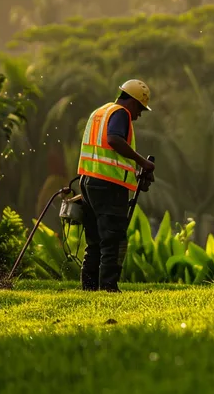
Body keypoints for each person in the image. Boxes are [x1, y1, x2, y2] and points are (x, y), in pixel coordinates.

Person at [76, 79, 156, 292]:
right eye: (139, 108)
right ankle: (109, 287)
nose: (138, 115)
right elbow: (113, 140)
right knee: (113, 238)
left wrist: (136, 170)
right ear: (131, 102)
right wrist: (143, 162)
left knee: (94, 241)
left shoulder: (100, 112)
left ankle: (90, 287)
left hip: (89, 181)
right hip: (108, 185)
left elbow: (106, 150)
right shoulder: (121, 114)